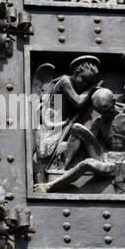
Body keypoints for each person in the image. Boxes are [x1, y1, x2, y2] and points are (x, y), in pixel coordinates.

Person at [34, 88, 125, 193]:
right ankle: (62, 169)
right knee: (77, 128)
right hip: (103, 157)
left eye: (107, 109)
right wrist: (64, 146)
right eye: (100, 112)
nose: (105, 114)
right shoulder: (99, 122)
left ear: (114, 100)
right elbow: (89, 145)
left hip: (120, 163)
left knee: (87, 163)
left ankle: (50, 186)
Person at [34, 55, 102, 183]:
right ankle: (40, 183)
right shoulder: (65, 81)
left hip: (62, 123)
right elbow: (78, 102)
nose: (85, 84)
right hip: (53, 124)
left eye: (89, 82)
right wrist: (91, 89)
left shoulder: (75, 84)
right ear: (76, 72)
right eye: (84, 79)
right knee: (44, 156)